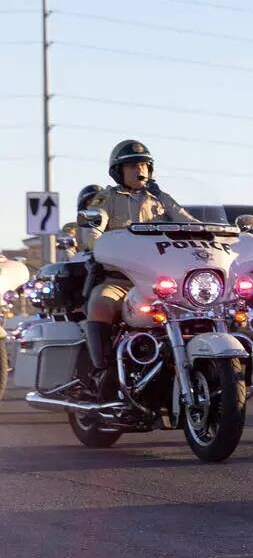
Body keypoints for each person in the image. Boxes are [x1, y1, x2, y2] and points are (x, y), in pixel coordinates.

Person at [83, 141, 198, 402]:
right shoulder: (106, 198)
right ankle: (106, 372)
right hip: (120, 280)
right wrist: (95, 241)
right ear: (118, 171)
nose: (140, 170)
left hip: (162, 281)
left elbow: (190, 224)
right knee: (101, 305)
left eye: (144, 164)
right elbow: (92, 229)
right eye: (133, 165)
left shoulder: (160, 199)